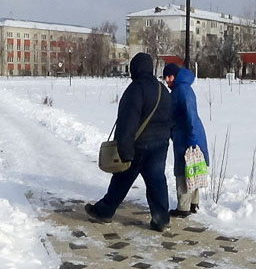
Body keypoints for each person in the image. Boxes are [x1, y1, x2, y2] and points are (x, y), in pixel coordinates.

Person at [85, 52, 172, 231]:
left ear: (134, 69)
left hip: (139, 145)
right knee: (157, 181)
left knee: (121, 180)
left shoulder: (135, 89)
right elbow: (169, 117)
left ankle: (104, 212)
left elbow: (127, 122)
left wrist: (124, 150)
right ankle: (161, 220)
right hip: (160, 145)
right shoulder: (162, 89)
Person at [163, 63, 209, 217]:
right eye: (165, 78)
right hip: (189, 133)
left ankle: (183, 207)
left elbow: (190, 115)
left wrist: (191, 139)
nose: (167, 80)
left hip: (187, 135)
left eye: (169, 76)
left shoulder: (181, 90)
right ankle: (194, 203)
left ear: (176, 76)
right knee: (193, 167)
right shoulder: (182, 88)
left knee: (183, 170)